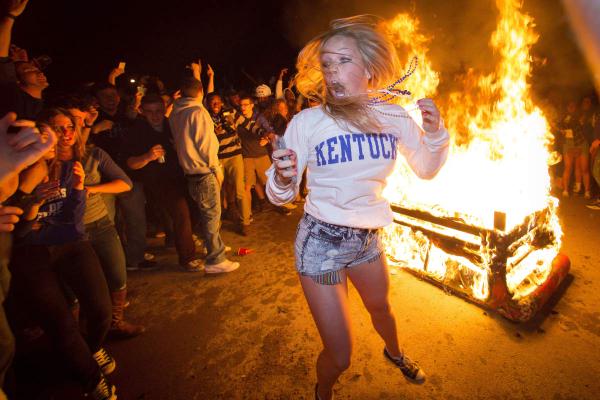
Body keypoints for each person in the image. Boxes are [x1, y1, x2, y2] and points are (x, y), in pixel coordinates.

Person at [266, 16, 449, 400]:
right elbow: (279, 196)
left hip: (367, 239)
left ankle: (394, 353)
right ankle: (323, 392)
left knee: (381, 308)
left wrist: (435, 134)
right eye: (327, 63)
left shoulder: (393, 116)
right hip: (321, 245)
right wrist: (283, 180)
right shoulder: (307, 122)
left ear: (368, 68)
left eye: (343, 61)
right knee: (341, 354)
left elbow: (427, 169)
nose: (332, 71)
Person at [169, 77, 239, 274]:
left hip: (189, 172)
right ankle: (215, 260)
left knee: (206, 214)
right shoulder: (198, 112)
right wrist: (216, 169)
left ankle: (213, 246)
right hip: (203, 171)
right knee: (211, 215)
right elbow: (207, 145)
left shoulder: (176, 112)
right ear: (200, 92)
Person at [125, 94, 201, 271]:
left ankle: (174, 239)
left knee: (190, 210)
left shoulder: (170, 124)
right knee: (181, 213)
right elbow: (130, 163)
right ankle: (187, 258)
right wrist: (148, 156)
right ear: (141, 111)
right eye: (150, 112)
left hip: (180, 176)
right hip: (158, 181)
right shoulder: (137, 131)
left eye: (159, 110)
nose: (155, 115)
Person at [205, 92, 251, 235]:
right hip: (216, 158)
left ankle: (245, 222)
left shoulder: (230, 113)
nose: (215, 105)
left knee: (240, 190)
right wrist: (213, 132)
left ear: (222, 103)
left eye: (218, 102)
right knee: (216, 192)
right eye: (212, 102)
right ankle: (216, 225)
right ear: (207, 104)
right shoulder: (205, 118)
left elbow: (247, 123)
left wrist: (264, 133)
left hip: (234, 156)